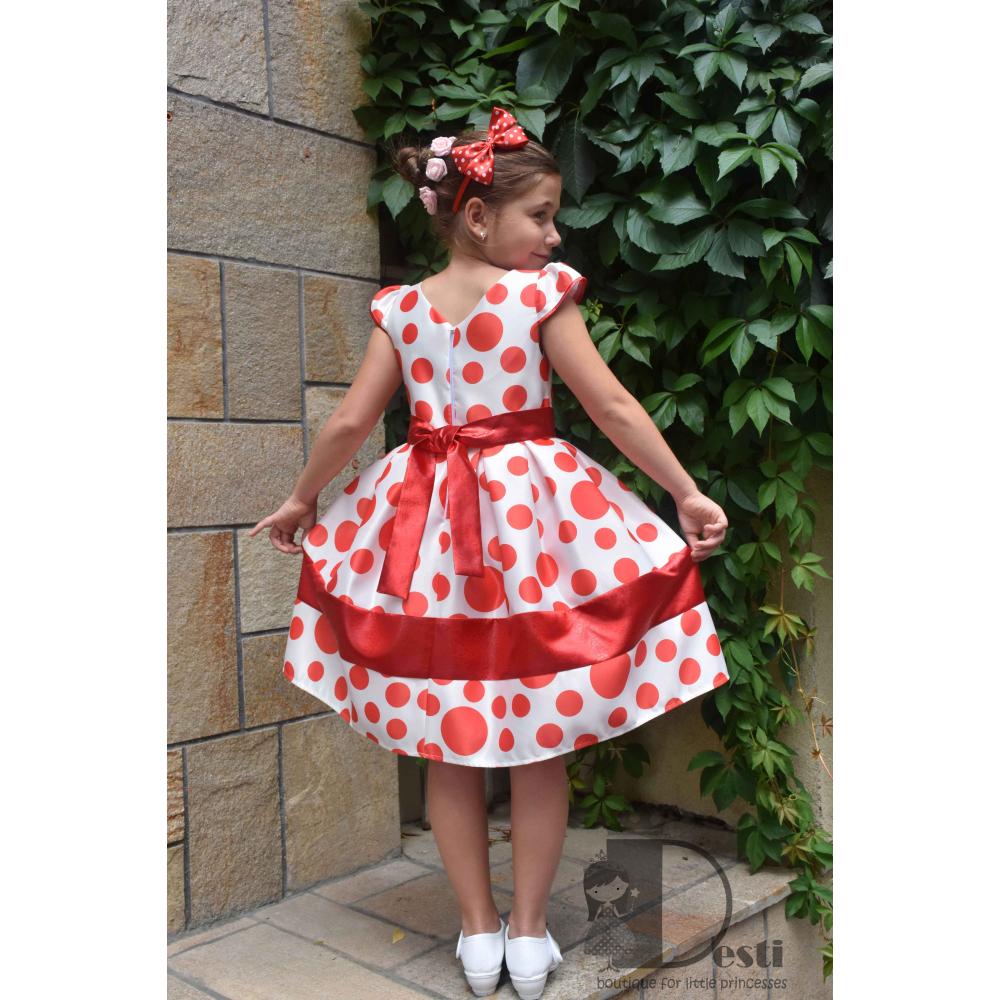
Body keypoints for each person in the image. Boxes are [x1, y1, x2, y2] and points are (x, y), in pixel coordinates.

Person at [250, 105, 730, 999]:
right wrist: (682, 489)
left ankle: (478, 932)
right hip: (531, 525)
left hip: (423, 531)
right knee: (539, 740)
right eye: (540, 216)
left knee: (450, 739)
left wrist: (303, 498)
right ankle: (528, 931)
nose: (554, 235)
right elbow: (612, 407)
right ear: (477, 215)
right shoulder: (539, 297)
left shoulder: (402, 309)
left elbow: (352, 421)